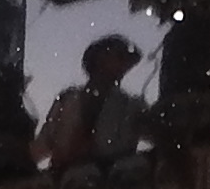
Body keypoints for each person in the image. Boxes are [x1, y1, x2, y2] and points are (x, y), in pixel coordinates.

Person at [32, 34, 149, 171]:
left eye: (125, 59)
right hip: (66, 180)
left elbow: (157, 133)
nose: (123, 65)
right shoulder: (67, 99)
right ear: (97, 59)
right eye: (118, 56)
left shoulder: (131, 106)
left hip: (110, 180)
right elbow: (43, 144)